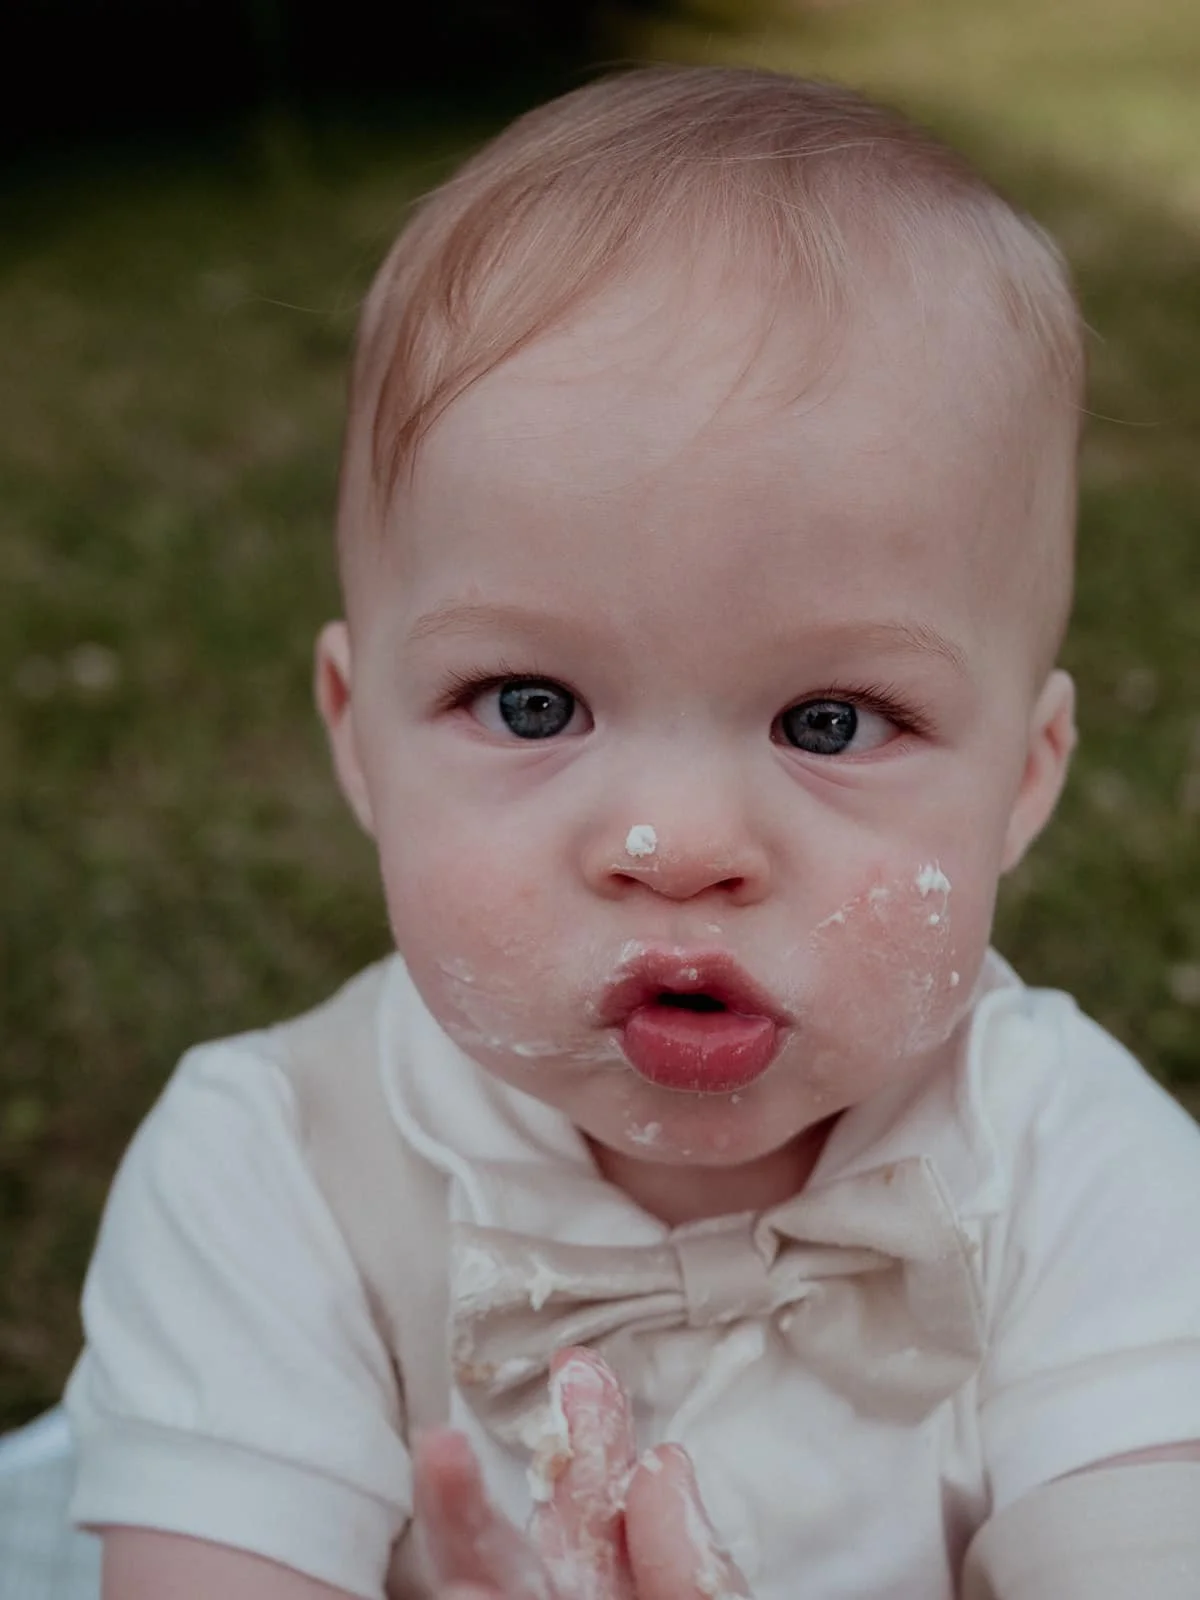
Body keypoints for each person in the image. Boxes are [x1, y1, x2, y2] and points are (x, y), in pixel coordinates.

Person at [57, 64, 1200, 1600]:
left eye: (831, 723)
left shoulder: (1084, 1177)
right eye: (530, 705)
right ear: (356, 734)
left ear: (1024, 779)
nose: (675, 844)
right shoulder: (275, 1179)